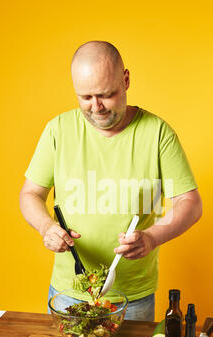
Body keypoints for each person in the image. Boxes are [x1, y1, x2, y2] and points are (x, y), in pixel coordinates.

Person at [19, 41, 202, 321]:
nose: (97, 107)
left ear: (126, 80)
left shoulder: (158, 133)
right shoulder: (58, 130)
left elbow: (190, 202)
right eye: (86, 97)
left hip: (133, 296)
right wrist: (46, 227)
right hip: (68, 291)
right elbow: (30, 194)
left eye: (106, 94)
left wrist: (153, 237)